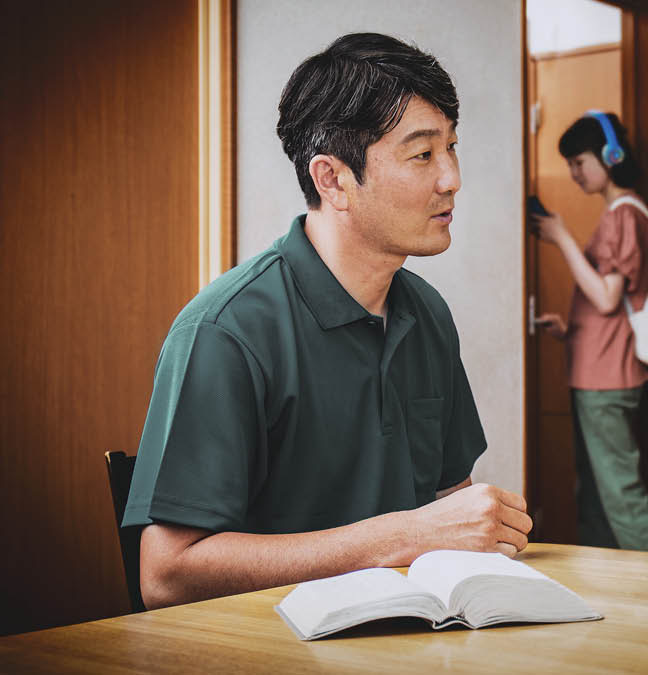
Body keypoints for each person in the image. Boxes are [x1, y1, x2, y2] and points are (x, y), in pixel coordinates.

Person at [122, 33, 532, 609]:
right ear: (332, 179)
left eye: (452, 148)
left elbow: (449, 512)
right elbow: (166, 576)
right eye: (422, 154)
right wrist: (402, 537)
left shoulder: (427, 313)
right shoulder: (225, 331)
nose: (451, 179)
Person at [530, 112, 648, 552]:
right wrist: (570, 330)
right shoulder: (622, 214)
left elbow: (608, 299)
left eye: (578, 161)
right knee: (595, 494)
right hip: (600, 372)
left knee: (619, 495)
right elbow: (611, 304)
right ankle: (612, 585)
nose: (573, 173)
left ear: (611, 156)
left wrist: (562, 238)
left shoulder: (623, 215)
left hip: (607, 379)